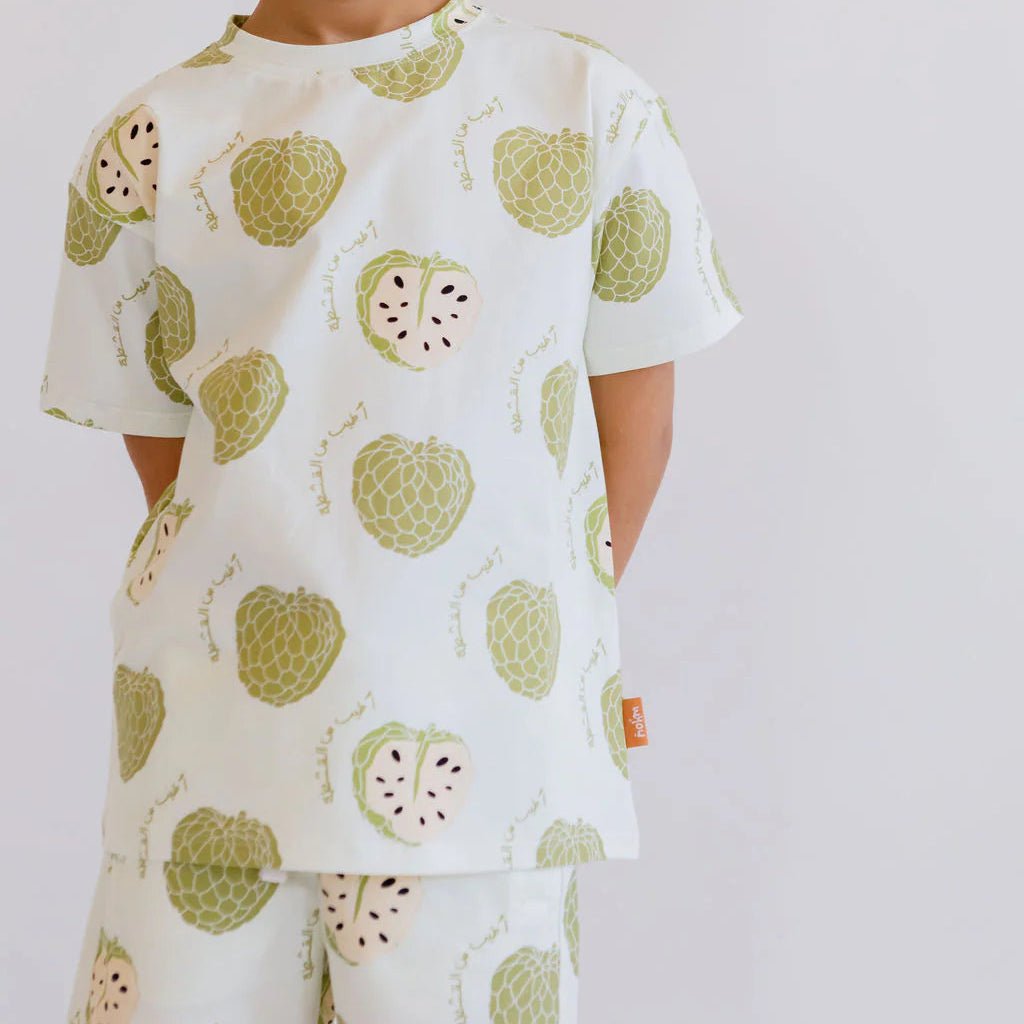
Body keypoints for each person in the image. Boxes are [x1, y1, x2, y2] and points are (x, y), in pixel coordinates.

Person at [39, 0, 743, 1020]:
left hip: (483, 774)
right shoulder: (153, 134)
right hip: (207, 758)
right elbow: (179, 467)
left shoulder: (588, 102)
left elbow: (638, 431)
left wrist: (498, 648)